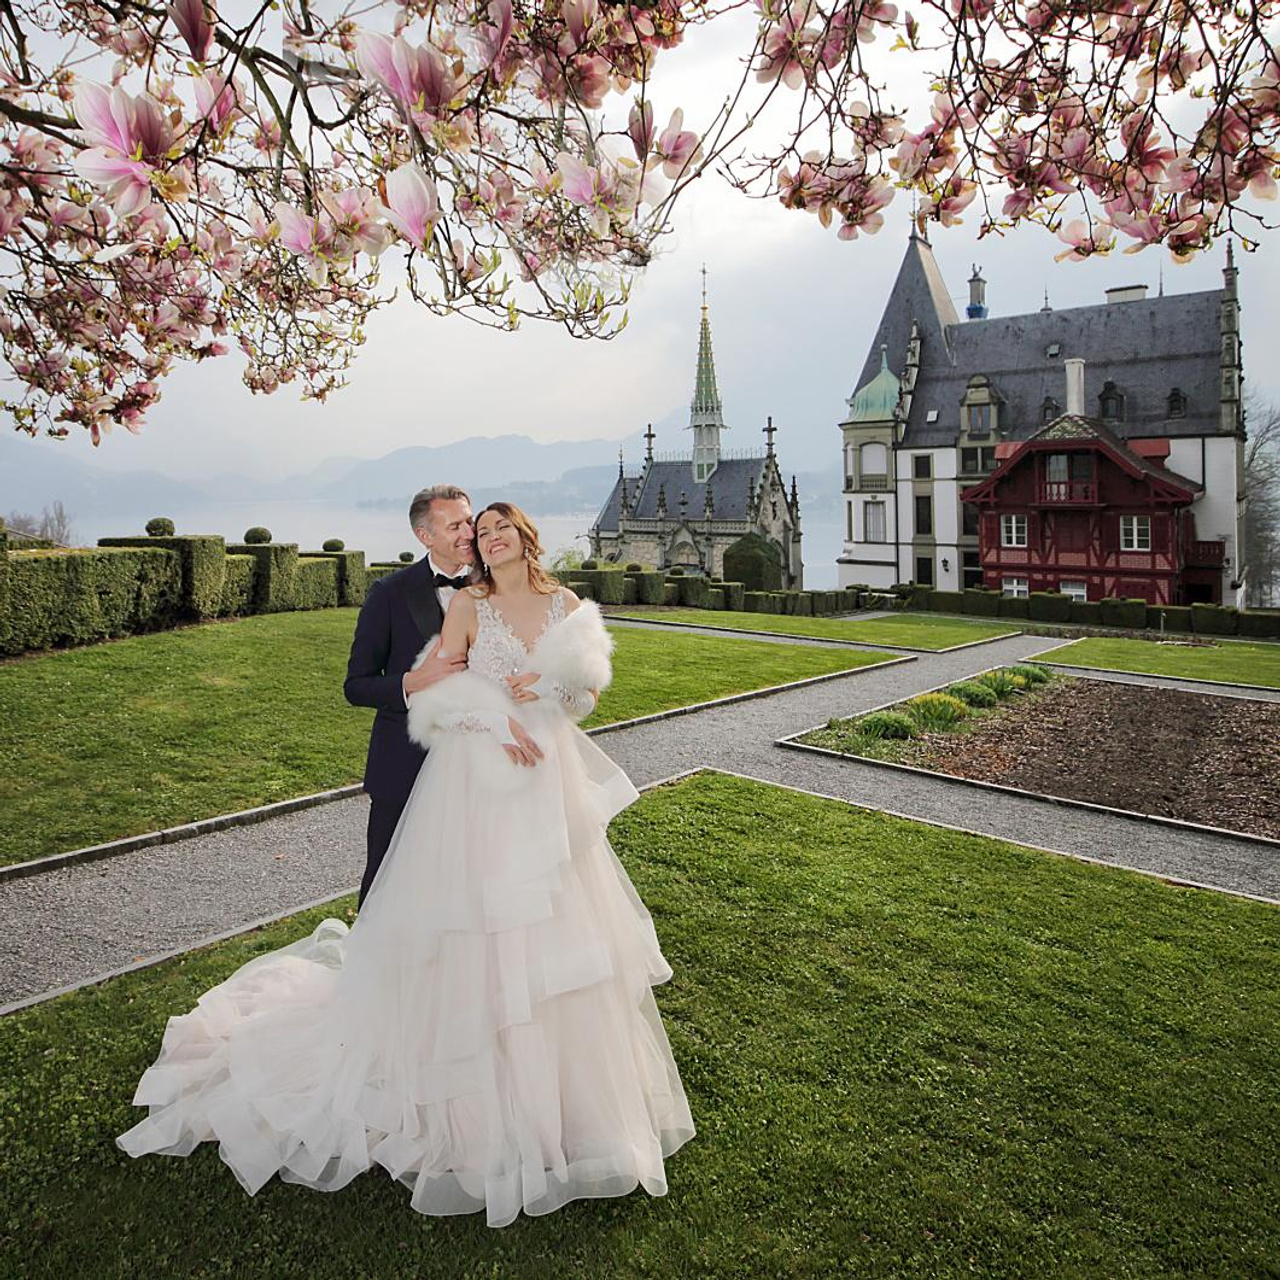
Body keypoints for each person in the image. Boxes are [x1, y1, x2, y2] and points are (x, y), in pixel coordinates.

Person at [116, 502, 695, 1227]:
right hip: (473, 782)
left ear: (524, 535)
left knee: (555, 921)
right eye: (478, 531)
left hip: (545, 780)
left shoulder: (567, 604)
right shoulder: (466, 606)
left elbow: (586, 695)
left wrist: (542, 694)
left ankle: (568, 1102)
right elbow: (434, 702)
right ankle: (460, 1082)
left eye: (498, 528)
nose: (487, 538)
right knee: (467, 923)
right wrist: (493, 716)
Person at [344, 483, 478, 907]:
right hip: (403, 763)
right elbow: (356, 685)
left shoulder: (495, 588)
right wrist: (413, 681)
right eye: (454, 525)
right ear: (425, 537)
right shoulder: (389, 593)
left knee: (469, 877)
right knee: (386, 878)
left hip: (479, 763)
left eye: (470, 521)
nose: (469, 533)